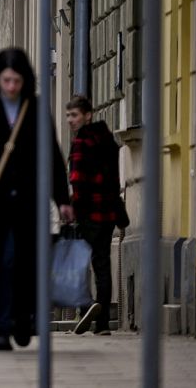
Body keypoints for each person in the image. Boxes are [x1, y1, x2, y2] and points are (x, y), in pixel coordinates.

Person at [0, 48, 73, 352]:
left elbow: (52, 155)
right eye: (7, 80)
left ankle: (23, 320)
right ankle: (0, 327)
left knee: (27, 263)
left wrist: (62, 199)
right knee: (0, 262)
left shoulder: (34, 108)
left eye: (17, 81)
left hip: (29, 201)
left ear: (25, 80)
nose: (11, 87)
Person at [66, 94, 121, 336]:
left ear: (88, 115)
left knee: (75, 262)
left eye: (74, 115)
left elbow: (77, 180)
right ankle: (102, 324)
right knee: (102, 263)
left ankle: (87, 305)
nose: (70, 120)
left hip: (88, 212)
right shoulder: (107, 138)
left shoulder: (82, 141)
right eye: (68, 115)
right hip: (108, 211)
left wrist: (73, 207)